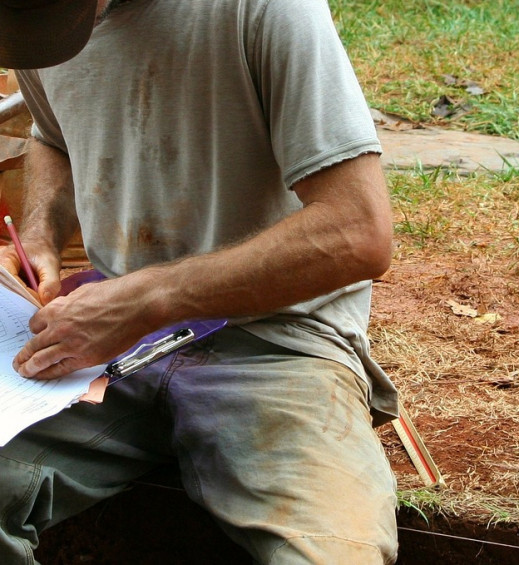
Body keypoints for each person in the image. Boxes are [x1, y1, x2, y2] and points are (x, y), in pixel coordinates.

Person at [0, 0, 399, 563]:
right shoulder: (40, 27)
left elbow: (357, 231)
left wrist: (146, 299)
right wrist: (40, 230)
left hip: (276, 342)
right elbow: (53, 134)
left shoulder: (261, 10)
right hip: (100, 352)